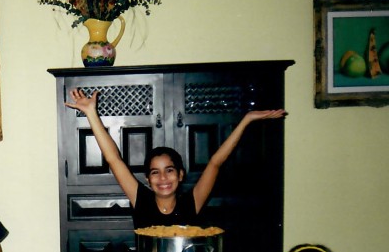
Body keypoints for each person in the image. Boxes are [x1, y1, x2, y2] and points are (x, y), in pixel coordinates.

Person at [64, 88, 286, 228]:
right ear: (148, 180)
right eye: (155, 172)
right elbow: (114, 159)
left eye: (169, 170)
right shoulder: (141, 200)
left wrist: (246, 120)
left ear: (180, 175)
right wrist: (91, 114)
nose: (163, 178)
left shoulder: (192, 202)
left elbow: (216, 162)